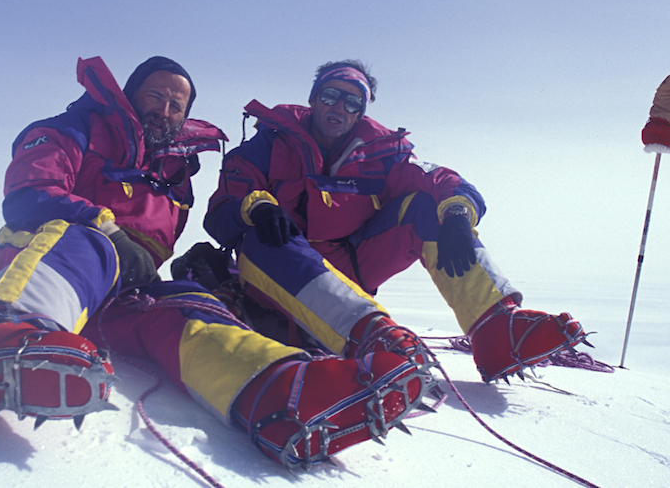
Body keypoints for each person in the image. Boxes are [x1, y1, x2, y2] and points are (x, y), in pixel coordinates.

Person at [0, 55, 438, 470]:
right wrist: (106, 226)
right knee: (88, 241)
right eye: (156, 96)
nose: (167, 110)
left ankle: (277, 391)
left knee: (189, 307)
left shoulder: (175, 173)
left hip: (127, 286)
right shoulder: (70, 131)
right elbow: (28, 195)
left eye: (178, 105)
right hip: (57, 259)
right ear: (129, 97)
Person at [203, 60, 588, 383]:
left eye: (352, 102)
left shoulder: (383, 154)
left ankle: (495, 330)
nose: (339, 107)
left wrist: (457, 213)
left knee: (427, 206)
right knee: (263, 232)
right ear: (313, 98)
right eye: (331, 95)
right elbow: (221, 212)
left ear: (361, 112)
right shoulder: (270, 142)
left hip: (346, 272)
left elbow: (438, 179)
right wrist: (256, 207)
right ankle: (372, 338)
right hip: (274, 270)